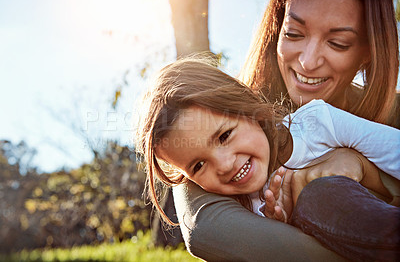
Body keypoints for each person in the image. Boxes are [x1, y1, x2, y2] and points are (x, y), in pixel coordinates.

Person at [169, 0, 400, 261]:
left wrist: (361, 167)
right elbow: (208, 232)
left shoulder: (363, 116)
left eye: (338, 43)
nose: (308, 62)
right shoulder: (210, 122)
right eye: (293, 33)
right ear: (276, 31)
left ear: (369, 52)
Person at [137, 58, 400, 261]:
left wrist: (354, 168)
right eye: (199, 165)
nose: (225, 165)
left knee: (318, 194)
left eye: (225, 136)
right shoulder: (239, 216)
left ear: (247, 108)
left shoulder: (318, 125)